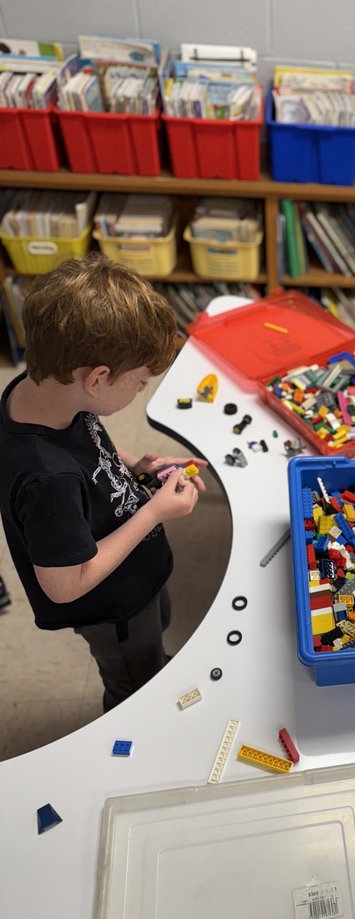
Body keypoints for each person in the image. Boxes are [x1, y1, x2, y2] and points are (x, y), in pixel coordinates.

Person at [0, 253, 207, 712]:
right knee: (134, 683)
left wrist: (137, 465)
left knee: (157, 629)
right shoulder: (46, 479)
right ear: (96, 379)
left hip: (135, 576)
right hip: (111, 607)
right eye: (139, 382)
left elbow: (89, 439)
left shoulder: (40, 388)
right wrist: (154, 512)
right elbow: (64, 586)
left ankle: (154, 667)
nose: (141, 390)